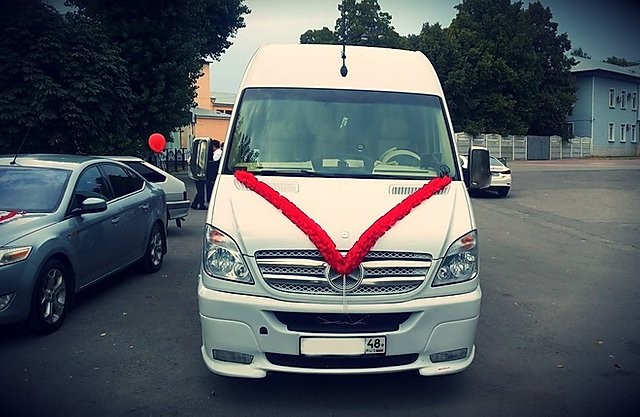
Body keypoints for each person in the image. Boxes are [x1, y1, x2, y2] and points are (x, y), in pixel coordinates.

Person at [204, 139, 222, 206]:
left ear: (214, 146)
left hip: (213, 174)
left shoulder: (218, 153)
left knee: (210, 186)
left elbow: (214, 161)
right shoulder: (217, 152)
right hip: (212, 174)